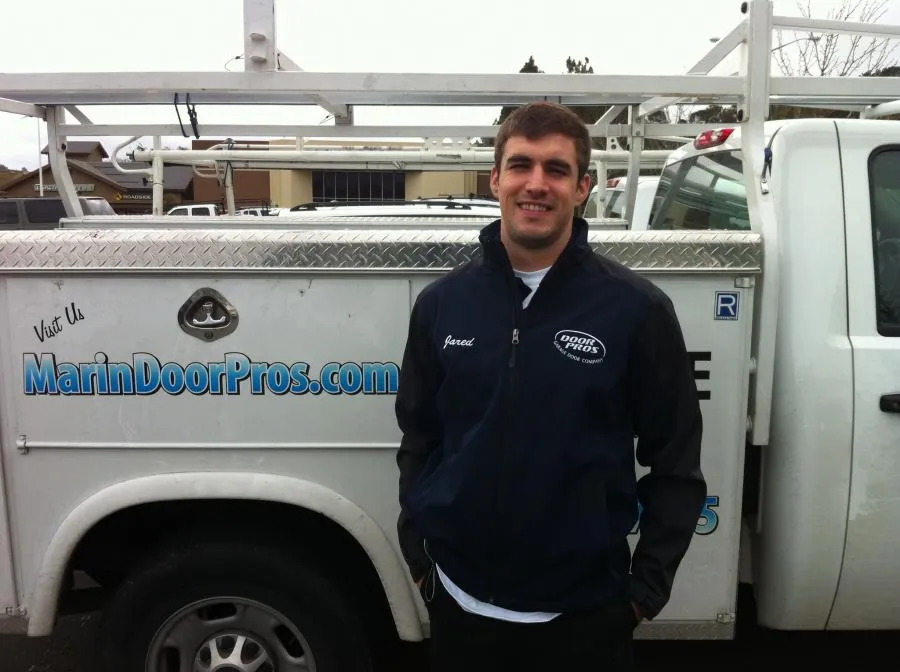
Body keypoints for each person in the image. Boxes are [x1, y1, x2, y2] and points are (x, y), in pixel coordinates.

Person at [395, 101, 706, 672]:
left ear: (583, 186)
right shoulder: (441, 305)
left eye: (556, 170)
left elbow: (677, 464)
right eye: (520, 165)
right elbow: (420, 438)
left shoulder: (637, 311)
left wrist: (643, 593)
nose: (536, 184)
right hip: (461, 612)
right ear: (495, 180)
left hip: (586, 622)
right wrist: (419, 552)